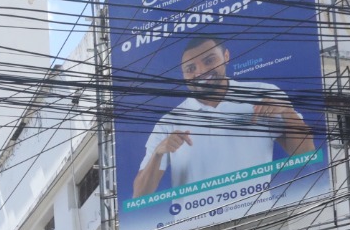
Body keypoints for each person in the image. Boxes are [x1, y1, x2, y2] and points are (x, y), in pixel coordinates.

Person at [132, 33, 316, 200]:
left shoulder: (262, 94)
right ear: (183, 75)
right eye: (190, 68)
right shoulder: (169, 122)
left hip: (259, 219)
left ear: (226, 56)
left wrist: (287, 112)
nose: (201, 72)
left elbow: (306, 156)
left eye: (209, 60)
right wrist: (158, 153)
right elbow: (140, 195)